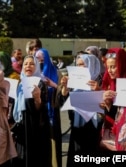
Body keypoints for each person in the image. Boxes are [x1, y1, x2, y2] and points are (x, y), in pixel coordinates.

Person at [57, 53, 103, 167]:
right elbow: (65, 105)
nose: (79, 68)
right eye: (77, 65)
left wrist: (98, 91)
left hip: (94, 133)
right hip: (77, 132)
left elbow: (107, 109)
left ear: (91, 65)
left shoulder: (101, 82)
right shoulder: (75, 84)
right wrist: (65, 89)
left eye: (83, 65)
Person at [12, 55, 51, 167]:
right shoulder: (19, 83)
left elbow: (41, 109)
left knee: (34, 158)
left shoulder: (40, 83)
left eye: (32, 64)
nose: (28, 66)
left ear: (37, 67)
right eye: (26, 64)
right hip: (20, 127)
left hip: (34, 128)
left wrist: (37, 98)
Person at [28, 38, 62, 167]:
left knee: (53, 146)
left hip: (52, 113)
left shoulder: (55, 72)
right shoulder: (34, 72)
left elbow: (63, 94)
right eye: (38, 60)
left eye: (42, 59)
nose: (40, 62)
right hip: (39, 114)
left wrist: (52, 84)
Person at [99, 48, 126, 151]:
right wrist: (104, 104)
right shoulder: (108, 84)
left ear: (122, 65)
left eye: (113, 67)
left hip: (124, 138)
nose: (109, 71)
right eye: (108, 67)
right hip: (108, 135)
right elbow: (107, 114)